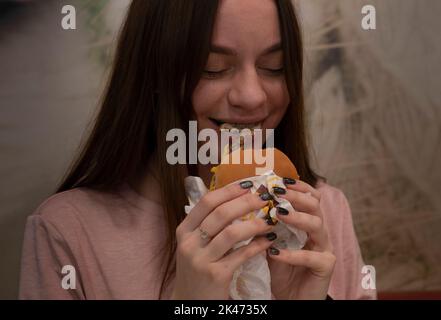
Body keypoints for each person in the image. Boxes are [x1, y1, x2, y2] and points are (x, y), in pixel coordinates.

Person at [19, 0, 376, 300]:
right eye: (213, 69)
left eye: (274, 67)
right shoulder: (68, 230)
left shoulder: (322, 211)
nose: (252, 96)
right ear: (153, 76)